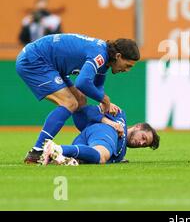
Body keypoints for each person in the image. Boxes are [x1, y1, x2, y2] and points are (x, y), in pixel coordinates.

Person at [16, 33, 140, 164]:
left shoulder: (106, 58)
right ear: (118, 56)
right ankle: (37, 151)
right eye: (127, 65)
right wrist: (104, 99)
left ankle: (91, 144)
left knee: (80, 100)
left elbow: (98, 85)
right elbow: (82, 82)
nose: (127, 70)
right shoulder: (100, 56)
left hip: (50, 64)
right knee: (69, 103)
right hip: (35, 60)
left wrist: (104, 101)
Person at [39, 104, 160, 165]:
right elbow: (85, 110)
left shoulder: (121, 154)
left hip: (86, 140)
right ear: (138, 126)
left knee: (79, 161)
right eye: (143, 137)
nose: (141, 143)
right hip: (104, 132)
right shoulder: (119, 115)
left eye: (144, 144)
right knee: (101, 156)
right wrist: (104, 107)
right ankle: (56, 148)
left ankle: (51, 155)